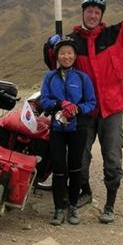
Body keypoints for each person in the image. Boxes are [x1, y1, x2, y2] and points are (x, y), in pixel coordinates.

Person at [68, 0, 123, 224]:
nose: (92, 15)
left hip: (112, 108)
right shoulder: (73, 42)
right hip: (86, 110)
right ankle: (86, 193)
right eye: (88, 11)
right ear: (83, 14)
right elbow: (57, 62)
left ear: (101, 15)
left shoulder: (116, 36)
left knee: (112, 158)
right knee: (79, 157)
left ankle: (110, 204)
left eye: (96, 12)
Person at [40, 36, 96, 226]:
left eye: (69, 53)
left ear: (75, 55)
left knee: (75, 167)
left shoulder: (83, 78)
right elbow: (44, 100)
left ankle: (72, 207)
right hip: (57, 128)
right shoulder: (49, 77)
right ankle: (58, 209)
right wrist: (59, 103)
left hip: (78, 128)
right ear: (57, 56)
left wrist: (78, 109)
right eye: (62, 53)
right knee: (58, 169)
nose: (66, 56)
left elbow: (91, 103)